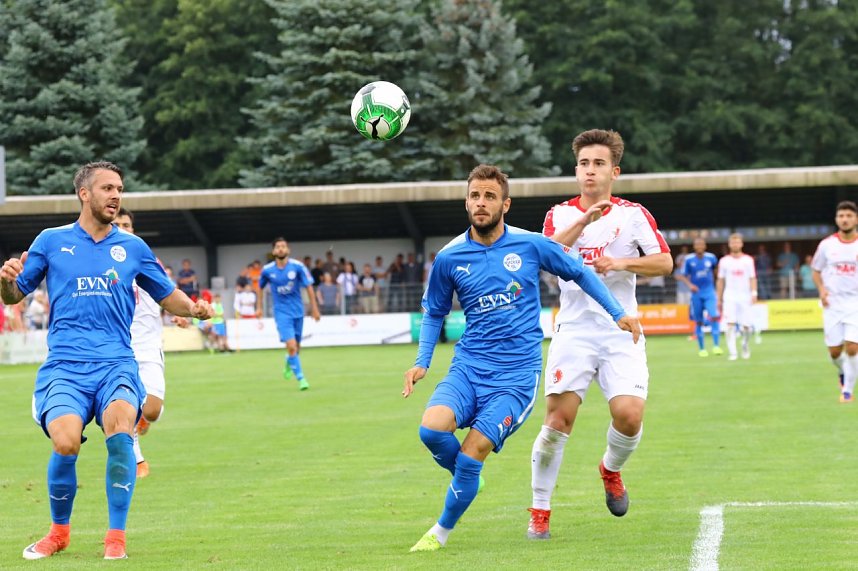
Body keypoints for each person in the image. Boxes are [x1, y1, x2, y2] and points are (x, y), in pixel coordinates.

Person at [402, 163, 641, 552]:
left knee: (472, 452)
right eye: (475, 196)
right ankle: (468, 478)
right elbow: (434, 312)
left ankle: (439, 533)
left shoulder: (530, 244)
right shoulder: (449, 258)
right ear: (466, 202)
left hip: (514, 378)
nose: (481, 203)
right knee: (431, 430)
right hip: (468, 368)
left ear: (505, 204)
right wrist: (423, 361)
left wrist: (617, 313)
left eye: (490, 196)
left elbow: (580, 273)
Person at [0, 161, 213, 561]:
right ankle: (59, 533)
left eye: (119, 189)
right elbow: (13, 297)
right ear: (85, 194)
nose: (116, 195)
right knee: (64, 442)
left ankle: (116, 537)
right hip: (65, 367)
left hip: (116, 364)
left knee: (120, 432)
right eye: (108, 188)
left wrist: (194, 308)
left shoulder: (133, 247)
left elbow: (167, 294)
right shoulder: (50, 241)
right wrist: (7, 279)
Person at [527, 129, 673, 540]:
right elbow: (547, 255)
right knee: (558, 421)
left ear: (615, 172)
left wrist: (621, 262)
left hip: (621, 328)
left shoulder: (633, 215)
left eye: (599, 164)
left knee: (629, 416)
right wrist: (584, 221)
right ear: (576, 171)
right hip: (573, 330)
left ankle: (611, 469)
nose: (590, 171)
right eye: (584, 164)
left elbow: (664, 262)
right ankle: (540, 510)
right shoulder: (559, 214)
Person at [113, 208, 191, 479]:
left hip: (148, 343)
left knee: (153, 410)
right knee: (126, 407)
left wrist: (178, 316)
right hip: (119, 345)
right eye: (117, 223)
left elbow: (164, 293)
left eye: (127, 224)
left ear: (133, 229)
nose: (122, 227)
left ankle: (143, 420)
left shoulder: (145, 257)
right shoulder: (101, 260)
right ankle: (136, 456)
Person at [257, 237, 321, 390]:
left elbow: (309, 287)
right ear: (273, 251)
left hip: (298, 311)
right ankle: (301, 379)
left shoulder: (298, 267)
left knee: (296, 348)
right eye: (278, 247)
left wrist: (315, 308)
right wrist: (259, 307)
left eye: (283, 246)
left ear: (288, 250)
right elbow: (259, 287)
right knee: (291, 346)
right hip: (281, 312)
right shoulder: (267, 270)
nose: (280, 249)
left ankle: (289, 360)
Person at [811, 201, 858, 402]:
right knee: (835, 352)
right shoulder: (827, 245)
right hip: (832, 304)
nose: (844, 219)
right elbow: (816, 270)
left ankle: (847, 391)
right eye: (841, 216)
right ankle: (842, 371)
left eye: (848, 215)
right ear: (836, 219)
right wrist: (822, 290)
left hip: (855, 302)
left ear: (855, 219)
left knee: (853, 347)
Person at [675, 237, 722, 357]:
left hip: (710, 292)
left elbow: (717, 271)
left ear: (705, 246)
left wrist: (717, 283)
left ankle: (716, 346)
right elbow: (682, 275)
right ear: (694, 246)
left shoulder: (711, 258)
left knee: (715, 316)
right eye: (697, 244)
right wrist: (690, 285)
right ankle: (702, 349)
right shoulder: (689, 259)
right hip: (696, 294)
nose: (700, 246)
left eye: (702, 244)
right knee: (699, 321)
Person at [716, 233, 758, 361]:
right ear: (729, 244)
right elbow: (720, 280)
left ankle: (745, 345)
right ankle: (733, 352)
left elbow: (752, 278)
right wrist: (719, 298)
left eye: (737, 242)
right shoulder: (724, 261)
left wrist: (754, 293)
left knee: (746, 326)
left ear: (741, 244)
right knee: (730, 325)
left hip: (745, 296)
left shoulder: (748, 260)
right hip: (730, 296)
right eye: (733, 242)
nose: (735, 244)